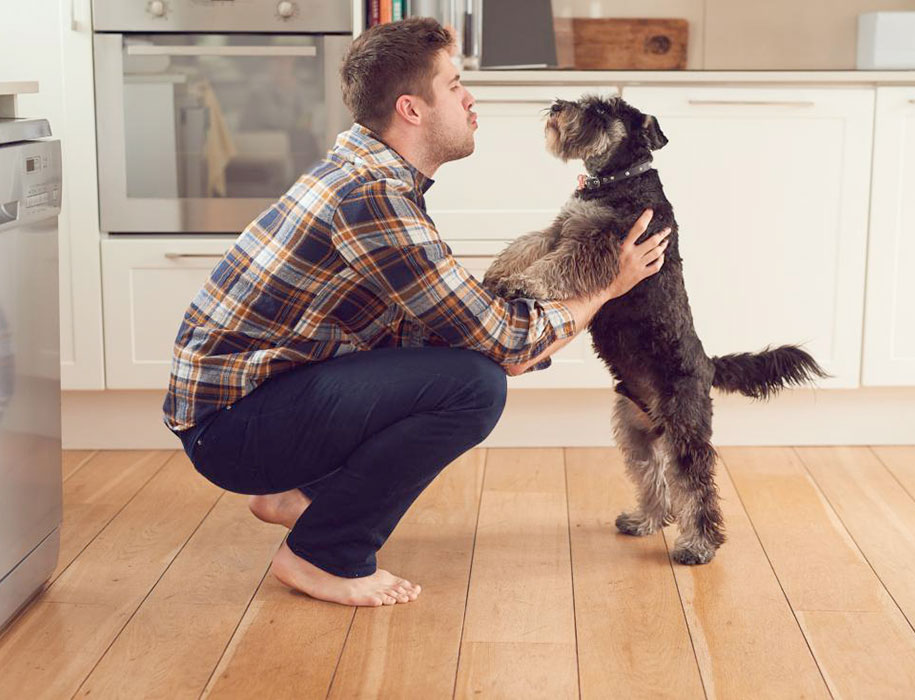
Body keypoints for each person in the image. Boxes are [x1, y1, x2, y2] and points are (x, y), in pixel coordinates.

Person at [162, 17, 670, 608]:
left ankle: (300, 495)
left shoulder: (376, 177)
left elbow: (453, 321)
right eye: (454, 84)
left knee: (461, 357)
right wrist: (606, 285)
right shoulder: (373, 197)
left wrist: (515, 337)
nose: (470, 96)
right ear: (411, 108)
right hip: (231, 431)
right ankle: (322, 553)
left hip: (251, 405)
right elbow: (504, 345)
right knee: (474, 386)